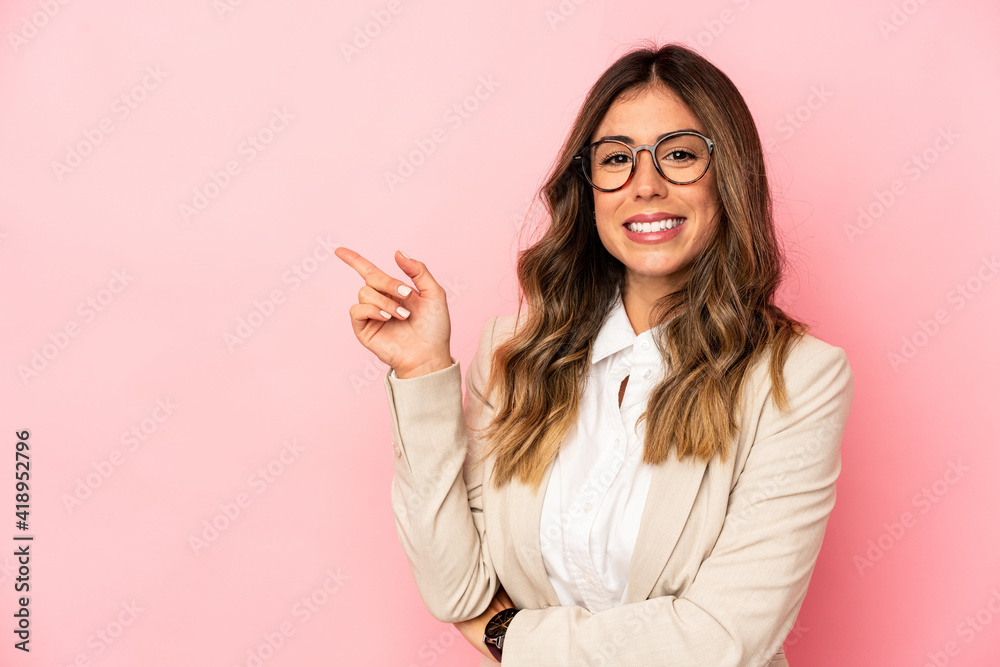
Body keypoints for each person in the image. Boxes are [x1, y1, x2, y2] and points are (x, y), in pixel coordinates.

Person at [336, 42, 854, 666]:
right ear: (589, 189)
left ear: (730, 177)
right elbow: (457, 588)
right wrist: (423, 371)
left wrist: (509, 639)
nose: (646, 185)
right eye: (616, 160)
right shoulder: (514, 353)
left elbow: (720, 640)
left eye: (680, 154)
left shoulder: (799, 378)